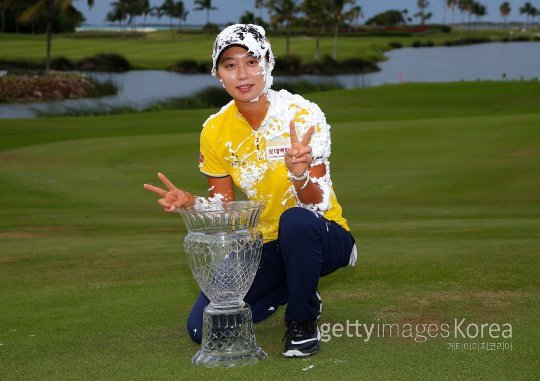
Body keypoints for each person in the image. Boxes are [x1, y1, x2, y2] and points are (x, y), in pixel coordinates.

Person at [144, 24, 357, 358]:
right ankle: (299, 287)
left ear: (268, 64)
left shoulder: (301, 114)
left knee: (296, 222)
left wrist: (300, 174)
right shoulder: (215, 129)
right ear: (218, 74)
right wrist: (191, 204)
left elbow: (317, 203)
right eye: (230, 65)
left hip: (323, 234)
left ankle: (302, 320)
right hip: (265, 246)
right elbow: (224, 209)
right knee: (203, 329)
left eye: (252, 61)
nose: (242, 74)